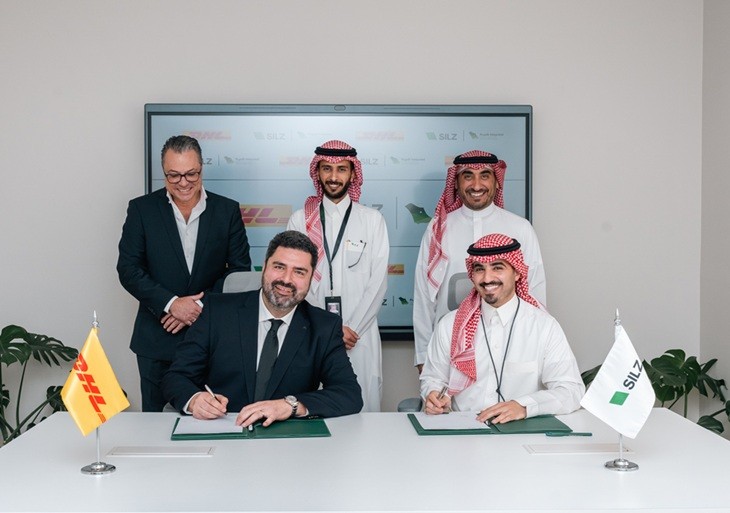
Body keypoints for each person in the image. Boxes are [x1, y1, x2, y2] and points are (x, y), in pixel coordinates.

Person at [163, 230, 363, 425]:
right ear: (265, 266)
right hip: (223, 428)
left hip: (287, 438)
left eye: (299, 272)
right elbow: (176, 377)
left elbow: (349, 393)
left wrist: (291, 406)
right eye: (279, 267)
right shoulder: (217, 311)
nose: (286, 279)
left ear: (311, 279)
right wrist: (195, 400)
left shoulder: (324, 327)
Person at [117, 135, 251, 412]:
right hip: (156, 340)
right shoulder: (141, 209)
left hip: (212, 340)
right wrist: (171, 304)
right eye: (174, 175)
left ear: (202, 167)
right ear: (163, 172)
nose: (183, 182)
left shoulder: (227, 210)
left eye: (191, 173)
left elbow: (239, 271)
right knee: (156, 424)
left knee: (213, 417)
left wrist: (199, 306)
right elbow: (128, 269)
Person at [420, 233, 583, 423]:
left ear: (517, 272)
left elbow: (571, 391)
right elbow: (433, 379)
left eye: (497, 267)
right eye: (479, 269)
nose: (487, 278)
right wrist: (433, 394)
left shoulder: (544, 326)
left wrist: (523, 406)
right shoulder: (449, 325)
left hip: (522, 433)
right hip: (464, 430)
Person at [413, 150, 547, 371]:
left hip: (509, 343)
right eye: (468, 176)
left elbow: (535, 291)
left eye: (484, 175)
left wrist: (536, 345)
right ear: (456, 183)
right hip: (448, 343)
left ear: (496, 181)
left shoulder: (520, 228)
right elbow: (424, 295)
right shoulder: (438, 229)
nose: (476, 185)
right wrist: (422, 354)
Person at [287, 140, 389, 412]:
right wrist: (328, 329)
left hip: (360, 335)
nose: (334, 177)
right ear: (317, 172)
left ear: (353, 174)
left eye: (341, 169)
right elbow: (294, 281)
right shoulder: (300, 220)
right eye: (327, 169)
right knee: (313, 408)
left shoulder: (372, 220)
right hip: (312, 334)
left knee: (364, 411)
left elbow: (378, 283)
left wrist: (352, 328)